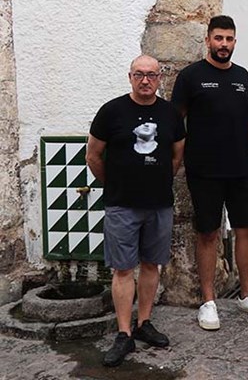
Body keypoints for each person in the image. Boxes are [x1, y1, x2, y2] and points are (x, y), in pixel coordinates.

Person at [171, 15, 248, 330]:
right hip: (204, 170)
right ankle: (208, 301)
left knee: (246, 230)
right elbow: (175, 122)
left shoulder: (242, 76)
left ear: (234, 42)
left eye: (229, 39)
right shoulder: (190, 76)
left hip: (240, 167)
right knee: (208, 233)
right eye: (218, 38)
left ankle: (246, 294)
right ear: (208, 40)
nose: (223, 44)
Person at [86, 55, 185, 367]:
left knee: (152, 264)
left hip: (159, 204)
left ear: (159, 78)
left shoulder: (170, 113)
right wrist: (115, 183)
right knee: (123, 268)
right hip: (121, 205)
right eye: (139, 74)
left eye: (151, 75)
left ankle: (144, 323)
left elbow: (176, 156)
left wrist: (156, 180)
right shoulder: (111, 111)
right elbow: (93, 155)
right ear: (130, 77)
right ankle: (124, 333)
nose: (145, 80)